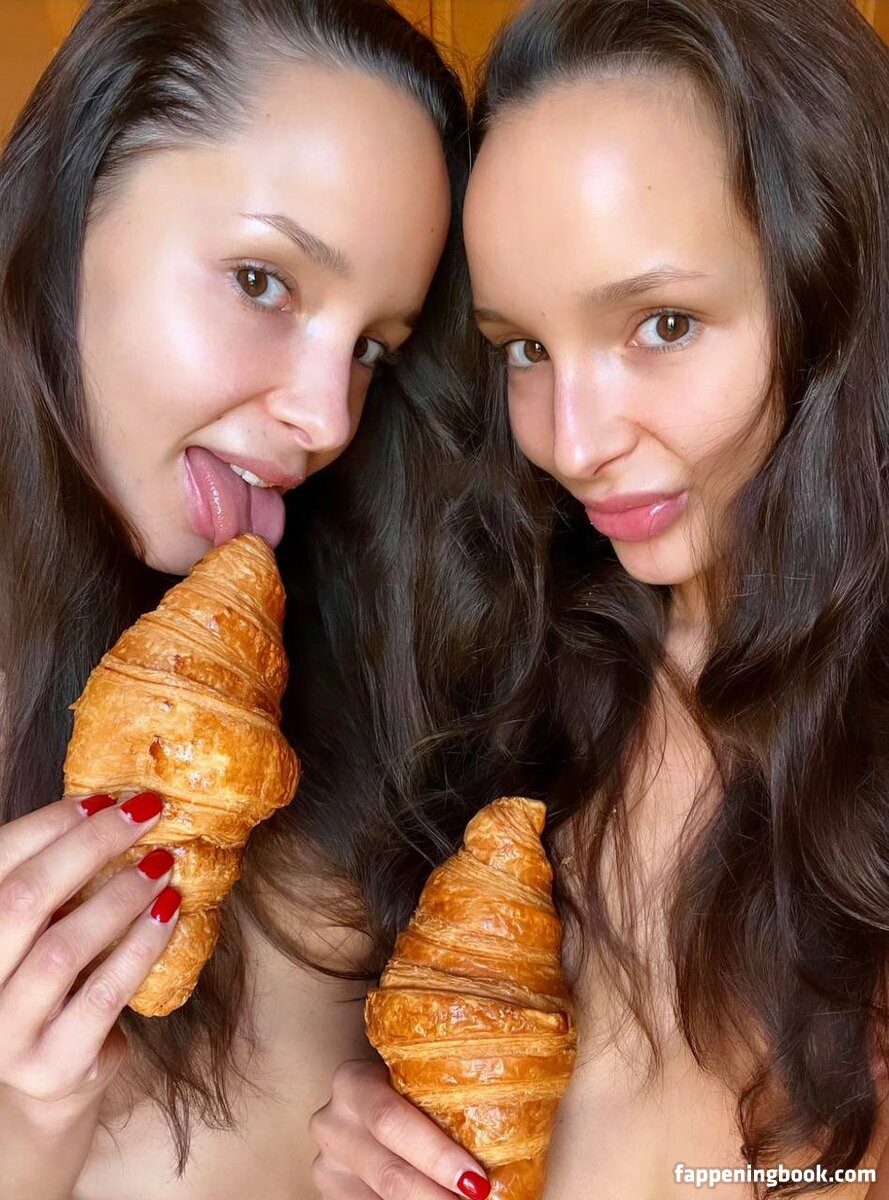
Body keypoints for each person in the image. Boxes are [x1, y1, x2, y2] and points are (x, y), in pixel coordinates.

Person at [309, 0, 889, 1196]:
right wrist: (391, 1145)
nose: (570, 444)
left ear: (834, 294)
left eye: (661, 325)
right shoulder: (519, 689)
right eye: (524, 348)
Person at [0, 0, 480, 1196]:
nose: (325, 418)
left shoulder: (372, 697)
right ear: (72, 211)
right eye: (263, 281)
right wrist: (27, 1132)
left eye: (372, 347)